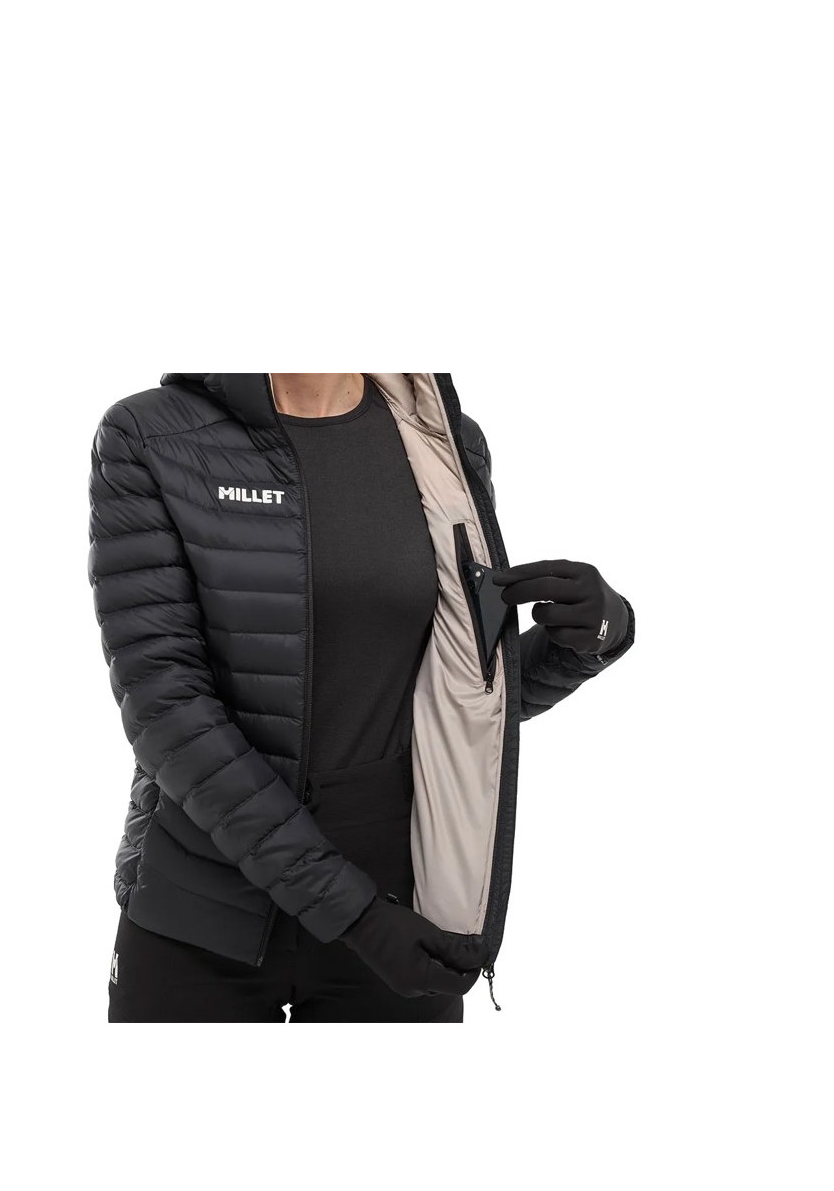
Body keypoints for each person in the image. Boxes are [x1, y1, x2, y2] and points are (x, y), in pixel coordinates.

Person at [88, 373, 635, 1022]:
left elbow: (457, 701)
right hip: (204, 907)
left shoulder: (442, 441)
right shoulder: (152, 434)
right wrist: (352, 912)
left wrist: (593, 637)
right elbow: (168, 711)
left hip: (400, 914)